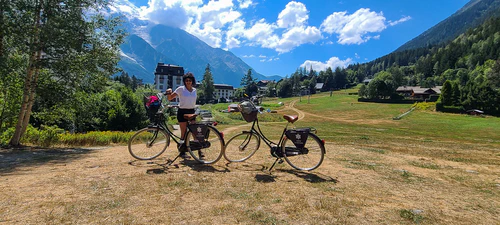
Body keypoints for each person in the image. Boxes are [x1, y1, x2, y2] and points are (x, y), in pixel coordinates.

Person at [165, 72, 204, 160]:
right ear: (184, 81)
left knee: (195, 132)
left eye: (190, 80)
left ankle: (200, 151)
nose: (188, 82)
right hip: (182, 111)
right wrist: (168, 92)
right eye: (186, 80)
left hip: (191, 111)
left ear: (192, 81)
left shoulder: (194, 90)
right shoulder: (180, 89)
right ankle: (182, 151)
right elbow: (170, 98)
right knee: (183, 132)